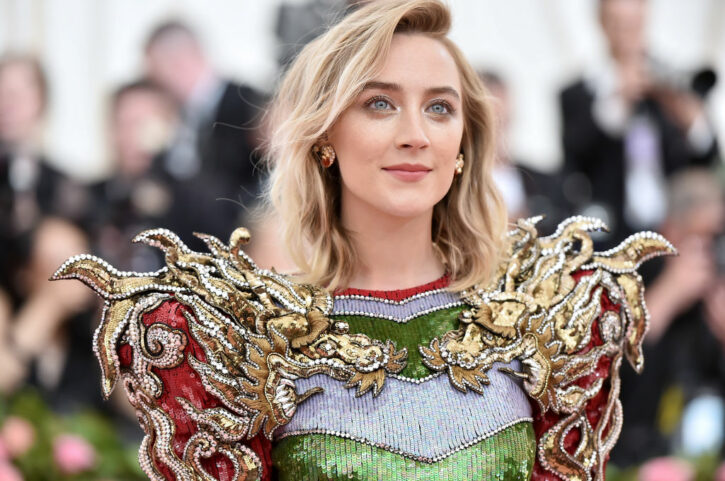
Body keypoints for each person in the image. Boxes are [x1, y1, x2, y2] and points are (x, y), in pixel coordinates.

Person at [54, 1, 673, 480]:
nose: (415, 134)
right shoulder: (250, 343)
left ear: (463, 144)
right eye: (380, 104)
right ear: (325, 134)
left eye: (439, 108)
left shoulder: (539, 323)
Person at [559, 0, 719, 248]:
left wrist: (692, 121)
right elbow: (575, 159)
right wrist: (617, 102)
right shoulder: (577, 93)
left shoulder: (668, 83)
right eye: (618, 24)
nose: (626, 34)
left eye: (633, 25)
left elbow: (707, 159)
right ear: (602, 24)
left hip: (674, 231)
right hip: (611, 234)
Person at [144, 21, 267, 243]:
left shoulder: (248, 105)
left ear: (178, 63)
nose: (156, 88)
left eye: (156, 77)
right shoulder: (179, 118)